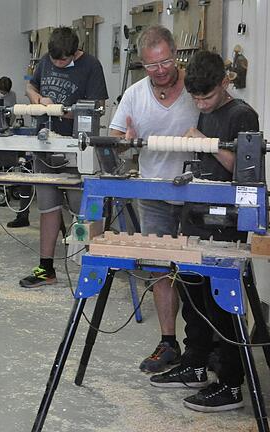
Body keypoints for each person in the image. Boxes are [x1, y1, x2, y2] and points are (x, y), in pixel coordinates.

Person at [149, 50, 258, 412]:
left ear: (224, 84)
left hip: (224, 224)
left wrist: (204, 141)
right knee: (193, 300)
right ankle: (195, 365)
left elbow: (245, 173)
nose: (201, 103)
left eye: (206, 97)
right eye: (195, 98)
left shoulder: (242, 115)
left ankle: (230, 384)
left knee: (222, 306)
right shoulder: (205, 111)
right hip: (196, 217)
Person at [109, 25, 199, 373]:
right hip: (153, 192)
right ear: (141, 64)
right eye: (151, 65)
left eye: (165, 62)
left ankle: (203, 346)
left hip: (196, 193)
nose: (160, 71)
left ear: (176, 55)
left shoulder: (194, 89)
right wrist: (126, 140)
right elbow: (115, 137)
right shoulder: (134, 94)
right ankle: (168, 342)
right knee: (159, 269)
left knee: (196, 271)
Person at [19, 27, 108, 287]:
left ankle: (93, 266)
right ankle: (46, 269)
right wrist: (37, 99)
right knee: (48, 208)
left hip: (76, 147)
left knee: (85, 210)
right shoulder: (47, 60)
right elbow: (30, 85)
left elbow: (98, 107)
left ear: (75, 52)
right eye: (55, 60)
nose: (57, 64)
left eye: (63, 61)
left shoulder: (91, 66)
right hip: (46, 145)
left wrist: (61, 110)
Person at [0, 76, 31, 228]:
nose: (4, 95)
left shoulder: (13, 95)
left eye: (6, 92)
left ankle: (23, 213)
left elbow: (14, 111)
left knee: (24, 171)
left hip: (10, 132)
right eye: (2, 92)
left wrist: (10, 122)